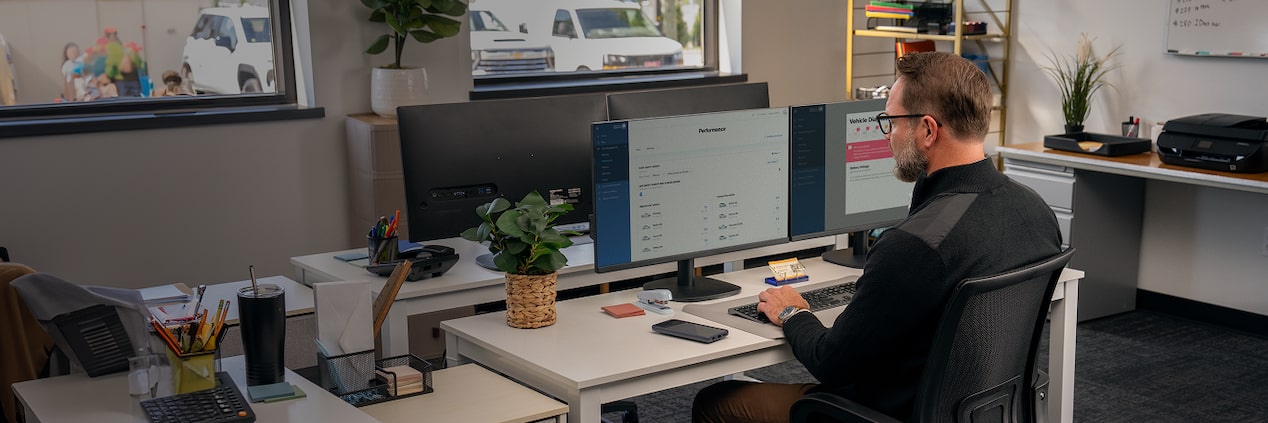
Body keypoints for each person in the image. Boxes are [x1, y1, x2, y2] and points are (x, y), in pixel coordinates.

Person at [691, 52, 1063, 422]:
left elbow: (832, 362)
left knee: (716, 402)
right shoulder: (1035, 210)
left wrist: (792, 312)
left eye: (892, 122)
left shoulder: (914, 244)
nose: (888, 136)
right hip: (984, 409)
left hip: (887, 412)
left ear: (928, 130)